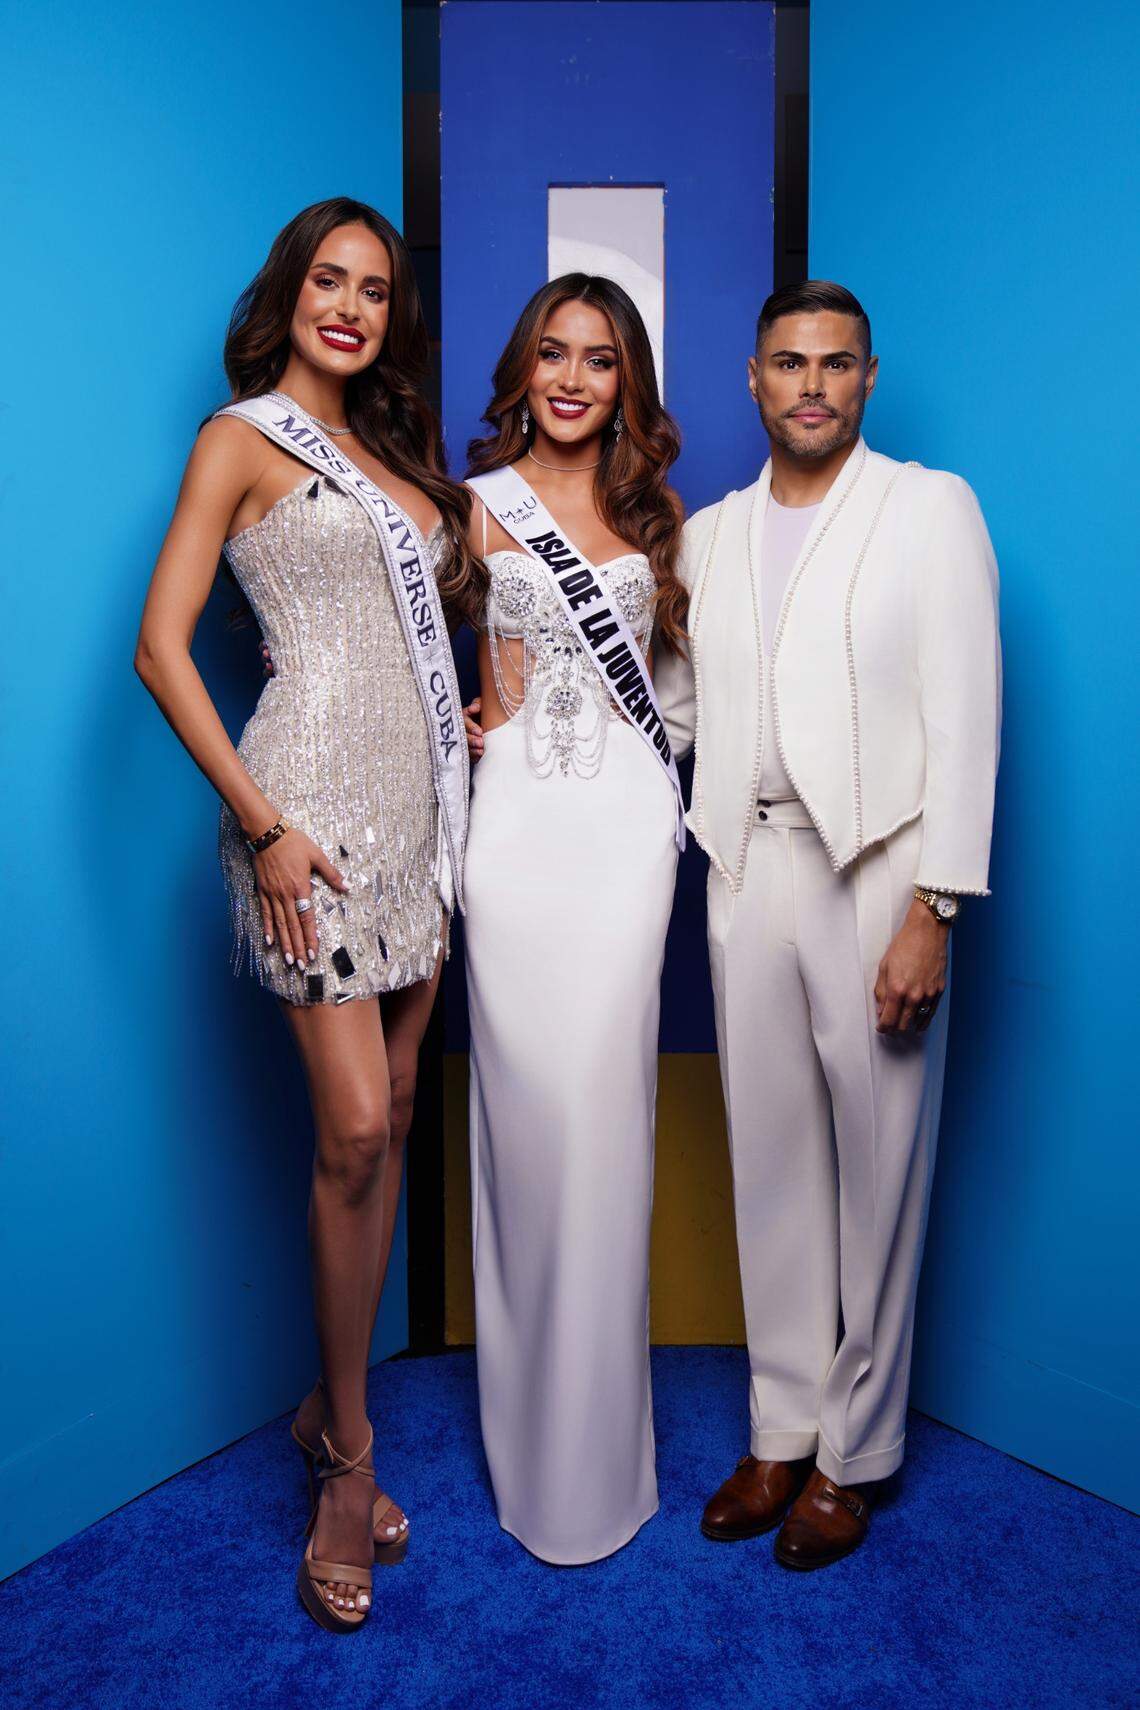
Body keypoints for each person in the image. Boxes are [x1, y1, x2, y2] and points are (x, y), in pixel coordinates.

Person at [135, 198, 472, 1630]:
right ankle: (348, 1456)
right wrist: (264, 823)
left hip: (418, 819)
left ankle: (322, 1402)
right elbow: (161, 648)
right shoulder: (241, 439)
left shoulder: (396, 455)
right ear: (290, 294)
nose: (351, 305)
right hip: (306, 820)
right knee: (348, 1127)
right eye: (328, 281)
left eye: (375, 289)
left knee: (392, 1115)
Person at [655, 280, 1001, 1570]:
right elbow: (677, 717)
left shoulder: (930, 509)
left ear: (867, 380)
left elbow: (968, 717)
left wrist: (936, 905)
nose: (811, 384)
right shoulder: (708, 536)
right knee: (773, 1163)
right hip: (746, 871)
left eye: (835, 364)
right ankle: (781, 1427)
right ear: (752, 380)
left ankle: (856, 1454)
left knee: (882, 1168)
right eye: (788, 363)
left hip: (882, 871)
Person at [460, 275, 687, 1563]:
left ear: (626, 385)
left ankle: (602, 1462)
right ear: (526, 365)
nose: (571, 378)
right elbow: (449, 684)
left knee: (606, 1131)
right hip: (516, 847)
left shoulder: (661, 523)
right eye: (553, 352)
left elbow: (681, 693)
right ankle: (533, 1451)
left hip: (620, 847)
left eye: (599, 361)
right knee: (531, 1134)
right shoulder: (474, 508)